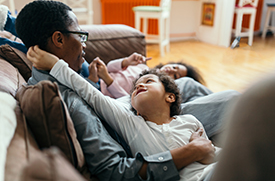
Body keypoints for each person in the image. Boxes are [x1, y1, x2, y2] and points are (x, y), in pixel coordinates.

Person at [16, 0, 215, 180]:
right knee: (222, 99)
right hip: (143, 124)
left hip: (137, 110)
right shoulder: (71, 101)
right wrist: (192, 151)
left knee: (189, 86)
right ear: (59, 39)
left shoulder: (47, 77)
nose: (85, 45)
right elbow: (115, 170)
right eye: (80, 35)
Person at [27, 46, 221, 181]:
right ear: (132, 106)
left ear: (170, 97)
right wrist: (55, 65)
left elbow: (211, 151)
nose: (140, 85)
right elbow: (91, 94)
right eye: (136, 87)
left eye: (149, 82)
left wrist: (209, 155)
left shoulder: (190, 121)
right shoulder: (132, 123)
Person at [87, 55, 205, 99]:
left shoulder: (152, 87)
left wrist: (108, 80)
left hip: (99, 89)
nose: (171, 70)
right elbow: (109, 67)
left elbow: (127, 99)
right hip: (97, 75)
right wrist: (126, 61)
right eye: (174, 66)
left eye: (175, 75)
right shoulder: (143, 67)